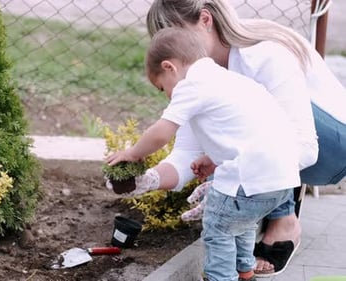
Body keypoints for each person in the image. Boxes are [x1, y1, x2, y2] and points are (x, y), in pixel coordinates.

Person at [134, 0, 346, 276]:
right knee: (230, 146)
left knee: (242, 140)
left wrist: (236, 178)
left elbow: (306, 148)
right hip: (273, 152)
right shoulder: (195, 80)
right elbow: (187, 153)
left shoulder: (263, 54)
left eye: (176, 33)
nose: (173, 46)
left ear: (206, 20)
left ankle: (285, 220)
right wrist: (148, 179)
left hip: (332, 145)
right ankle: (268, 205)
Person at [106, 26, 301, 281]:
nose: (167, 96)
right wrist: (215, 158)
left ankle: (220, 278)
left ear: (169, 68)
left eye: (162, 88)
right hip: (283, 181)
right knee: (240, 224)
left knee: (218, 228)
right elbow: (250, 132)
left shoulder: (191, 85)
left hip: (250, 177)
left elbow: (161, 133)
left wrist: (132, 153)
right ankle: (245, 271)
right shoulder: (228, 80)